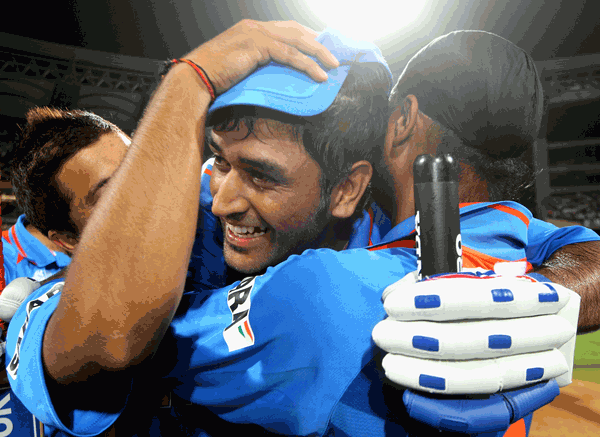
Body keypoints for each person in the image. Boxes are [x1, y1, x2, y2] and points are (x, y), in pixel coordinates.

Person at [5, 22, 600, 437]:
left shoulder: (342, 278)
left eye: (261, 175)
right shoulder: (193, 221)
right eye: (217, 161)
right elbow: (106, 335)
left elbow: (574, 248)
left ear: (347, 187)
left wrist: (544, 301)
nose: (218, 200)